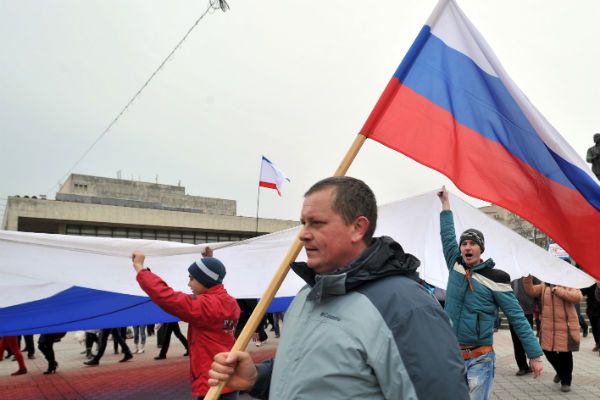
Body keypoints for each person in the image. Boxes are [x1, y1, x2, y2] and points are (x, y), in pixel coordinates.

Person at [208, 176, 469, 399]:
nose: (303, 234)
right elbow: (309, 372)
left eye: (316, 223)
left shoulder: (407, 308)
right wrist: (258, 377)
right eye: (303, 223)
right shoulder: (307, 294)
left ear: (358, 228)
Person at [437, 186, 543, 400]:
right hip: (451, 356)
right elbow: (447, 235)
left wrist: (535, 354)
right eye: (464, 243)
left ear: (480, 249)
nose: (467, 247)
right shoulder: (455, 265)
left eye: (472, 244)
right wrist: (445, 204)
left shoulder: (496, 278)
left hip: (480, 359)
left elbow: (517, 317)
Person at [132, 247, 240, 400]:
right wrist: (208, 261)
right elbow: (212, 280)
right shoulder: (230, 303)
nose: (188, 283)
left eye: (191, 278)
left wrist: (140, 269)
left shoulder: (206, 306)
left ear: (205, 280)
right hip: (228, 378)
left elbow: (167, 297)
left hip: (211, 382)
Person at [523, 276, 581, 392]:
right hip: (548, 327)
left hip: (566, 326)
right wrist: (527, 278)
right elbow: (531, 291)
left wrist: (557, 289)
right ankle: (561, 372)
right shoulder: (545, 285)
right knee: (547, 351)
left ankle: (566, 381)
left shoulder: (568, 282)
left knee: (565, 354)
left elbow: (577, 297)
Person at [509, 277, 536, 376]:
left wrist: (540, 308)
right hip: (512, 311)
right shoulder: (510, 273)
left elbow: (538, 290)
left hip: (527, 311)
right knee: (516, 340)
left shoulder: (529, 273)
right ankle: (522, 366)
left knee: (527, 339)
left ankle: (533, 363)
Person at [583, 282, 600, 353]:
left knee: (599, 328)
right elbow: (582, 292)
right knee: (594, 328)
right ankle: (597, 343)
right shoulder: (590, 283)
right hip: (591, 310)